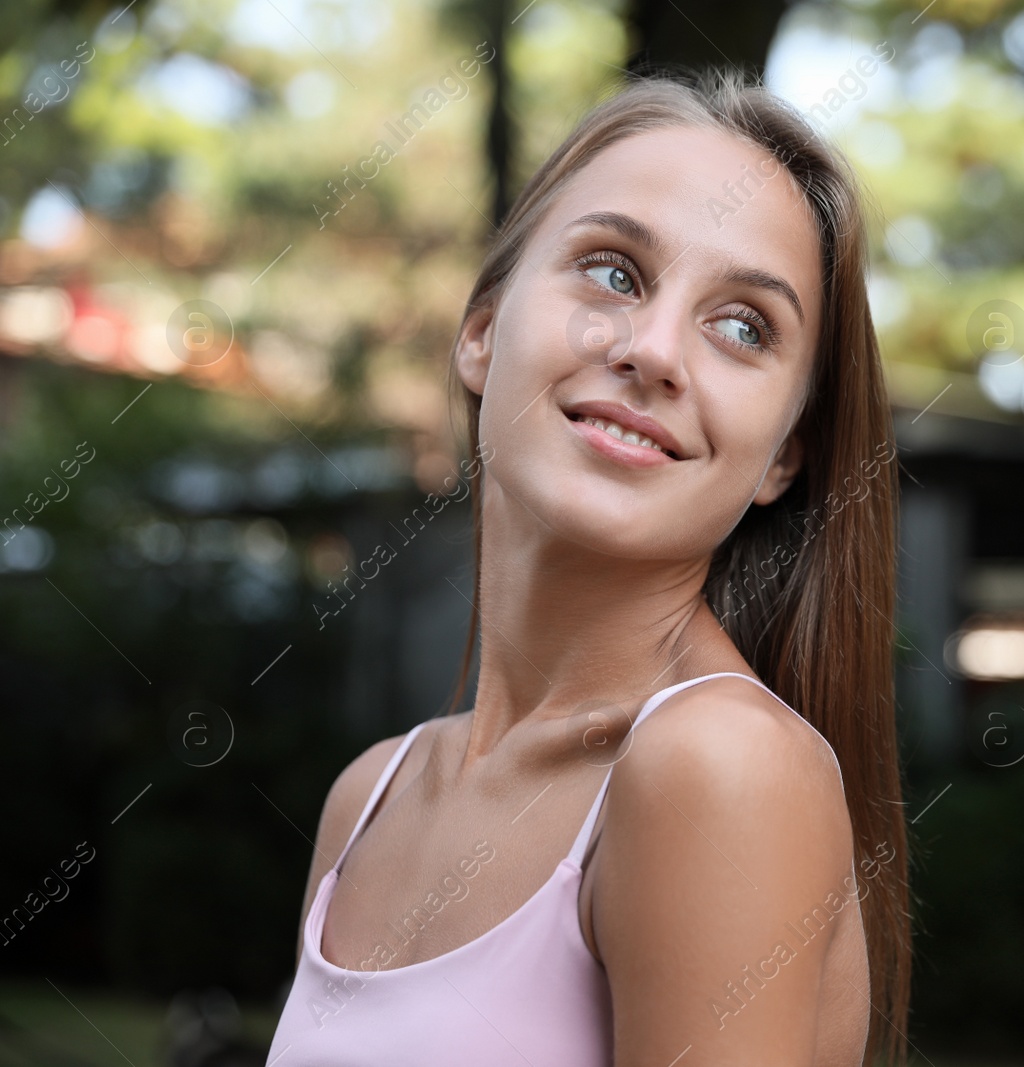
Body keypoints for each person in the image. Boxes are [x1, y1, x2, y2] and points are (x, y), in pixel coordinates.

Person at [266, 70, 911, 1067]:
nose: (654, 351)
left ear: (784, 454)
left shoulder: (718, 767)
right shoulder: (371, 797)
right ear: (481, 331)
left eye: (743, 326)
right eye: (613, 272)